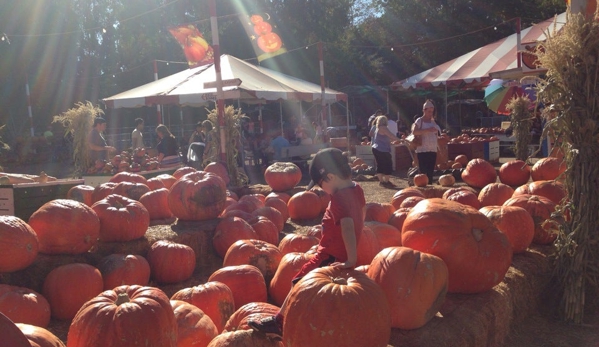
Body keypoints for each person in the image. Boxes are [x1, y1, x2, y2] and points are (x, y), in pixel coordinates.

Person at [248, 148, 366, 339]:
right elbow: (361, 214)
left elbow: (347, 225)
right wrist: (356, 243)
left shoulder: (338, 199)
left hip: (329, 256)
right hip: (339, 254)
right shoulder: (356, 189)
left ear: (330, 177)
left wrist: (350, 259)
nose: (321, 190)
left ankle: (280, 322)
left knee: (299, 283)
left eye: (320, 185)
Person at [412, 100, 442, 184]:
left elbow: (438, 133)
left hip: (432, 148)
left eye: (432, 112)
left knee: (430, 171)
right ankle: (422, 186)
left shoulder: (433, 121)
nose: (430, 113)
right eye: (429, 111)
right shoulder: (419, 120)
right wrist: (428, 130)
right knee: (423, 171)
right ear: (424, 110)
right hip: (422, 148)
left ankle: (430, 186)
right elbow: (414, 132)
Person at [369, 115, 403, 188]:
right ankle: (386, 181)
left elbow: (384, 139)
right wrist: (399, 139)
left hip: (376, 148)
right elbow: (391, 135)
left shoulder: (378, 129)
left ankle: (382, 181)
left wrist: (392, 142)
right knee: (388, 164)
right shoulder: (383, 128)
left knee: (380, 165)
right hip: (381, 149)